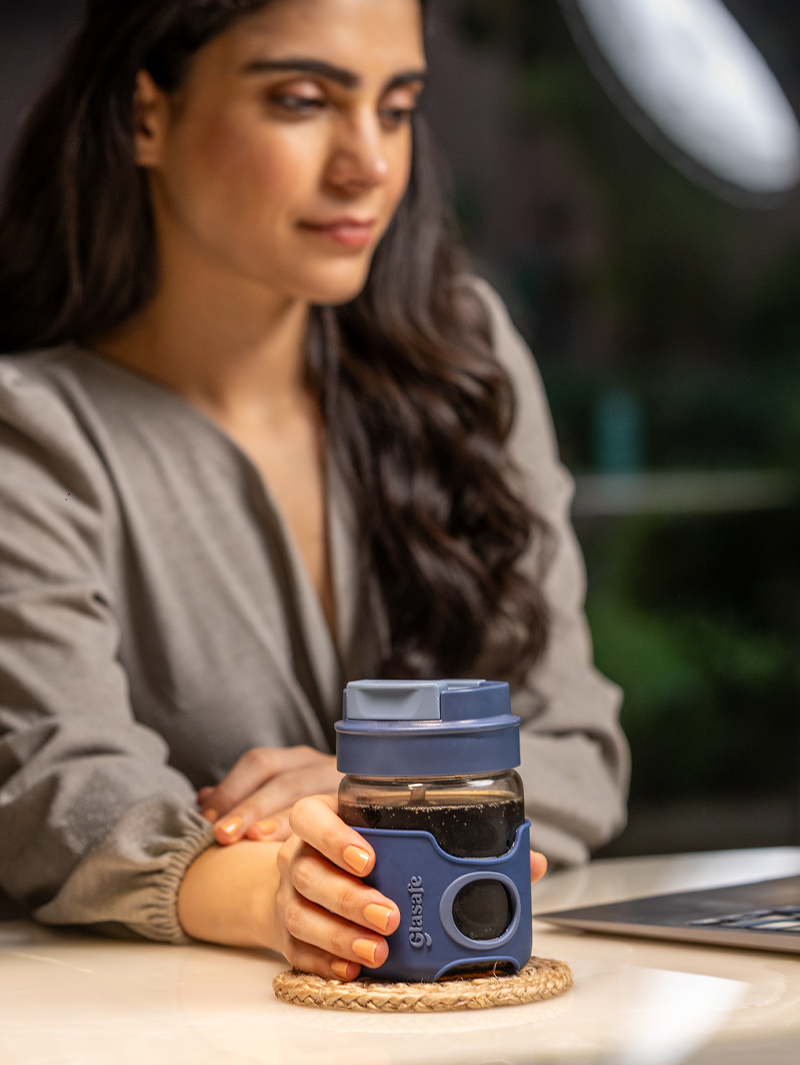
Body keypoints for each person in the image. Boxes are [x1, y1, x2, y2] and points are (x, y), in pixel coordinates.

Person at [0, 0, 629, 981]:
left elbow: (578, 747)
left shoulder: (464, 361)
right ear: (145, 116)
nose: (367, 164)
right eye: (301, 101)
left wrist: (377, 788)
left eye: (395, 107)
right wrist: (283, 886)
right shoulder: (32, 427)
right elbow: (55, 782)